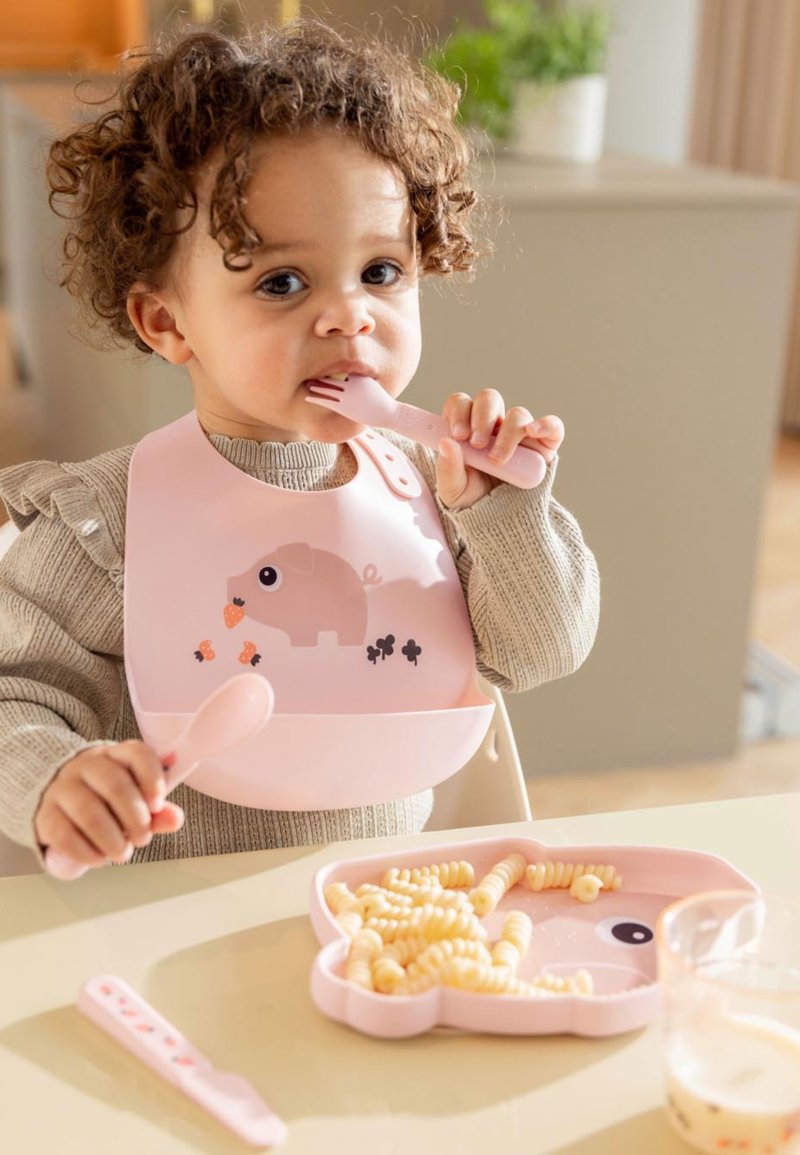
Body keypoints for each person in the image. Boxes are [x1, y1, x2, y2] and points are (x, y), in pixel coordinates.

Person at [0, 19, 599, 869]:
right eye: (282, 282)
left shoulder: (442, 488)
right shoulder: (107, 525)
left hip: (375, 915)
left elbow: (543, 651)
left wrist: (506, 509)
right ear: (168, 322)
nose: (349, 314)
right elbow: (11, 689)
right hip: (173, 933)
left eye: (381, 273)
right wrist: (55, 775)